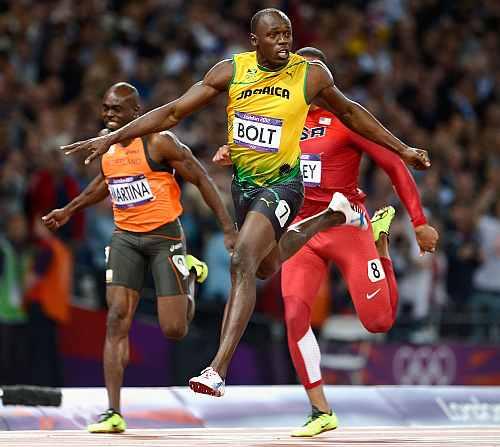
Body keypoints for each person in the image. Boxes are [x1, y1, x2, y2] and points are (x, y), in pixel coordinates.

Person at [61, 8, 432, 398]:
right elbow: (172, 112)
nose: (284, 41)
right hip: (245, 187)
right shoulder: (230, 71)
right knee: (266, 266)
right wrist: (113, 135)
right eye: (274, 35)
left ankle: (217, 369)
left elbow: (352, 113)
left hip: (285, 184)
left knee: (242, 261)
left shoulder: (310, 75)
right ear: (255, 41)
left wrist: (402, 148)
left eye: (287, 34)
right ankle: (332, 215)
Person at [215, 46, 439, 436]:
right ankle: (321, 411)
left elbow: (393, 165)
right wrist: (234, 153)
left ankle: (380, 242)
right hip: (301, 229)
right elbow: (259, 155)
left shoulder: (346, 119)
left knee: (379, 322)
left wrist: (419, 222)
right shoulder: (280, 116)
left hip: (347, 225)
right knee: (294, 314)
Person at [43, 82, 236, 433]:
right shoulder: (107, 143)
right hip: (125, 239)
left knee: (174, 329)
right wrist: (69, 210)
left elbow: (202, 178)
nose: (109, 114)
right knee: (116, 318)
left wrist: (227, 228)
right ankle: (113, 411)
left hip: (165, 238)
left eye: (118, 109)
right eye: (106, 108)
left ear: (137, 112)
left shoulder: (160, 141)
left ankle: (189, 276)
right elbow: (104, 183)